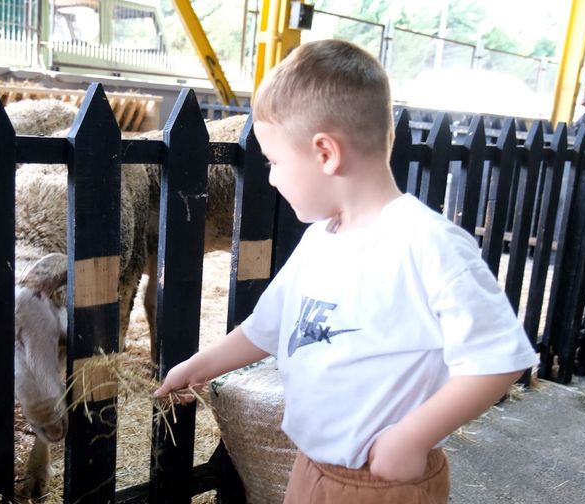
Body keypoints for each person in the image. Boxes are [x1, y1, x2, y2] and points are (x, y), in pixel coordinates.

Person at [153, 39, 538, 503]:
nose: (271, 177)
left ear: (326, 154)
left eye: (275, 162)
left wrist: (412, 437)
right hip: (312, 467)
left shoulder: (426, 243)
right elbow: (265, 330)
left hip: (382, 482)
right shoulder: (321, 239)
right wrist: (198, 367)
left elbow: (498, 359)